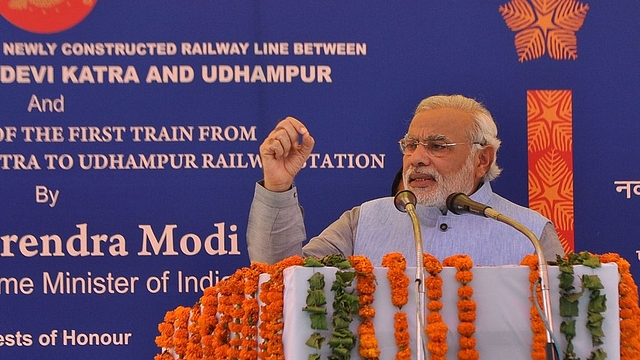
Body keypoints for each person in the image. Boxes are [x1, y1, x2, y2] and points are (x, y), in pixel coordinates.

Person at [246, 94, 564, 267]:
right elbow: (281, 281)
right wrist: (277, 186)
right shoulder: (364, 221)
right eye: (410, 145)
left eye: (438, 146)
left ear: (482, 160)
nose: (417, 158)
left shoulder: (530, 233)